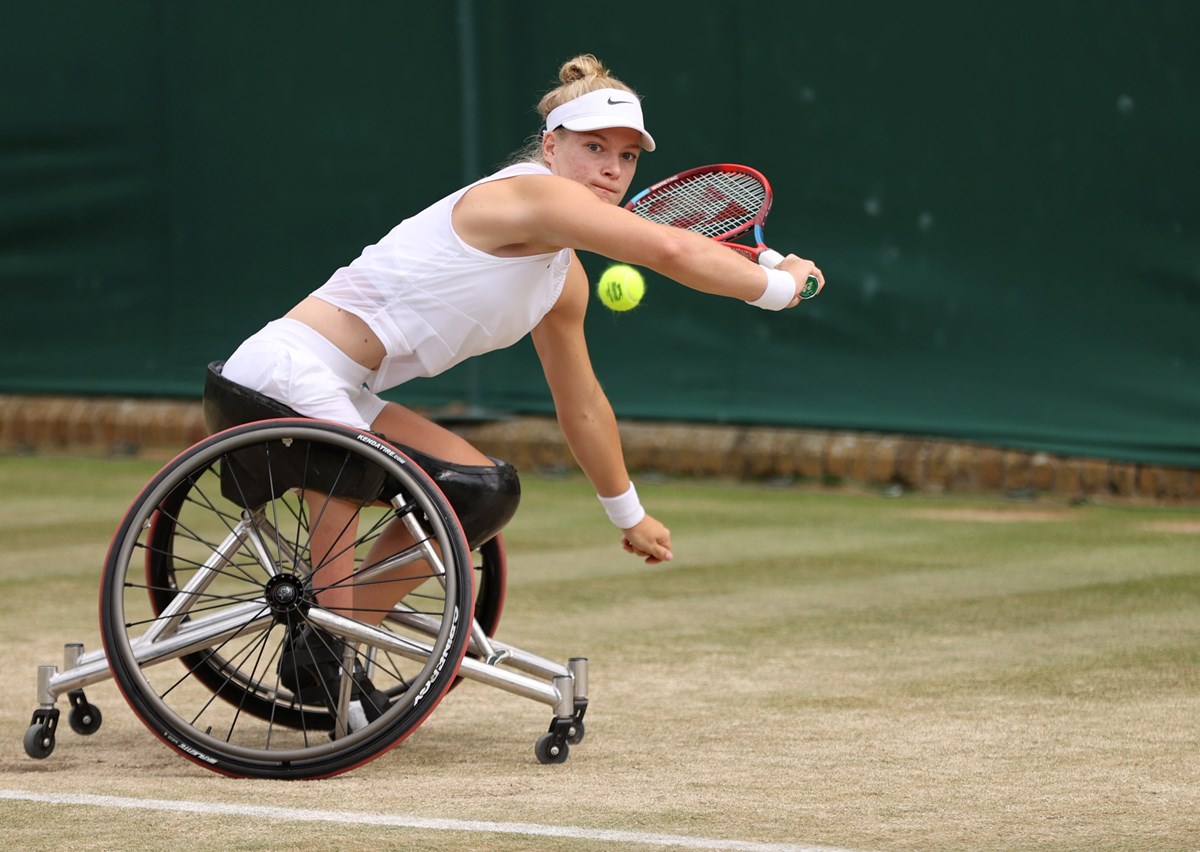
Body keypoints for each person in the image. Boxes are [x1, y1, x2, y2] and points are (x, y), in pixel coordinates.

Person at [220, 52, 824, 634]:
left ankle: (332, 640)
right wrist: (779, 287)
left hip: (343, 395)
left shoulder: (564, 282)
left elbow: (582, 403)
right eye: (594, 148)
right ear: (550, 146)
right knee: (351, 470)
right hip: (283, 372)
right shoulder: (533, 192)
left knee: (482, 491)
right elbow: (669, 248)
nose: (612, 169)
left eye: (627, 156)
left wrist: (629, 514)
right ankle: (331, 632)